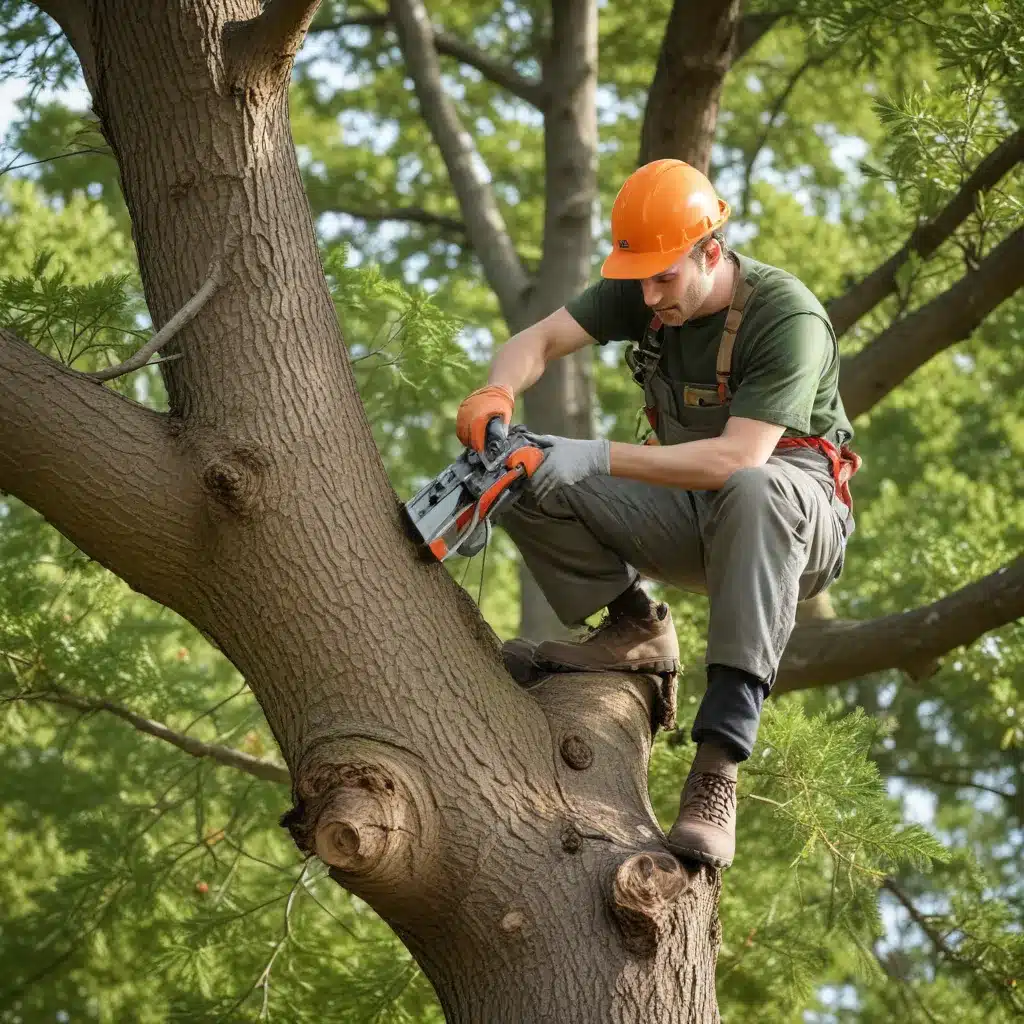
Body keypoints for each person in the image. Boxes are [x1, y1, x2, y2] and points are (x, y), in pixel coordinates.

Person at [454, 159, 859, 869]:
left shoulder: (787, 317)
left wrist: (596, 455)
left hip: (794, 516)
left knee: (753, 489)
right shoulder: (644, 289)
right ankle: (634, 629)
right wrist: (497, 396)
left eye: (664, 277)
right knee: (520, 467)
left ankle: (716, 770)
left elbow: (737, 460)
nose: (650, 294)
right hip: (693, 510)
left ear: (710, 253)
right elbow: (535, 342)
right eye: (640, 278)